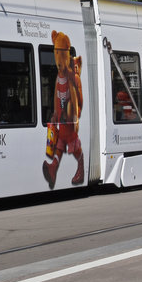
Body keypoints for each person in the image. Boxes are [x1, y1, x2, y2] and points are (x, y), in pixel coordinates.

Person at [42, 30, 83, 189]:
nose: (59, 60)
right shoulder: (58, 79)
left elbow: (74, 99)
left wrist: (75, 117)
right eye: (56, 54)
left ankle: (80, 165)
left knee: (72, 144)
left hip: (70, 119)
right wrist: (54, 114)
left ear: (67, 55)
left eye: (62, 54)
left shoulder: (72, 77)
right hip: (62, 120)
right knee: (59, 143)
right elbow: (55, 99)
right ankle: (53, 169)